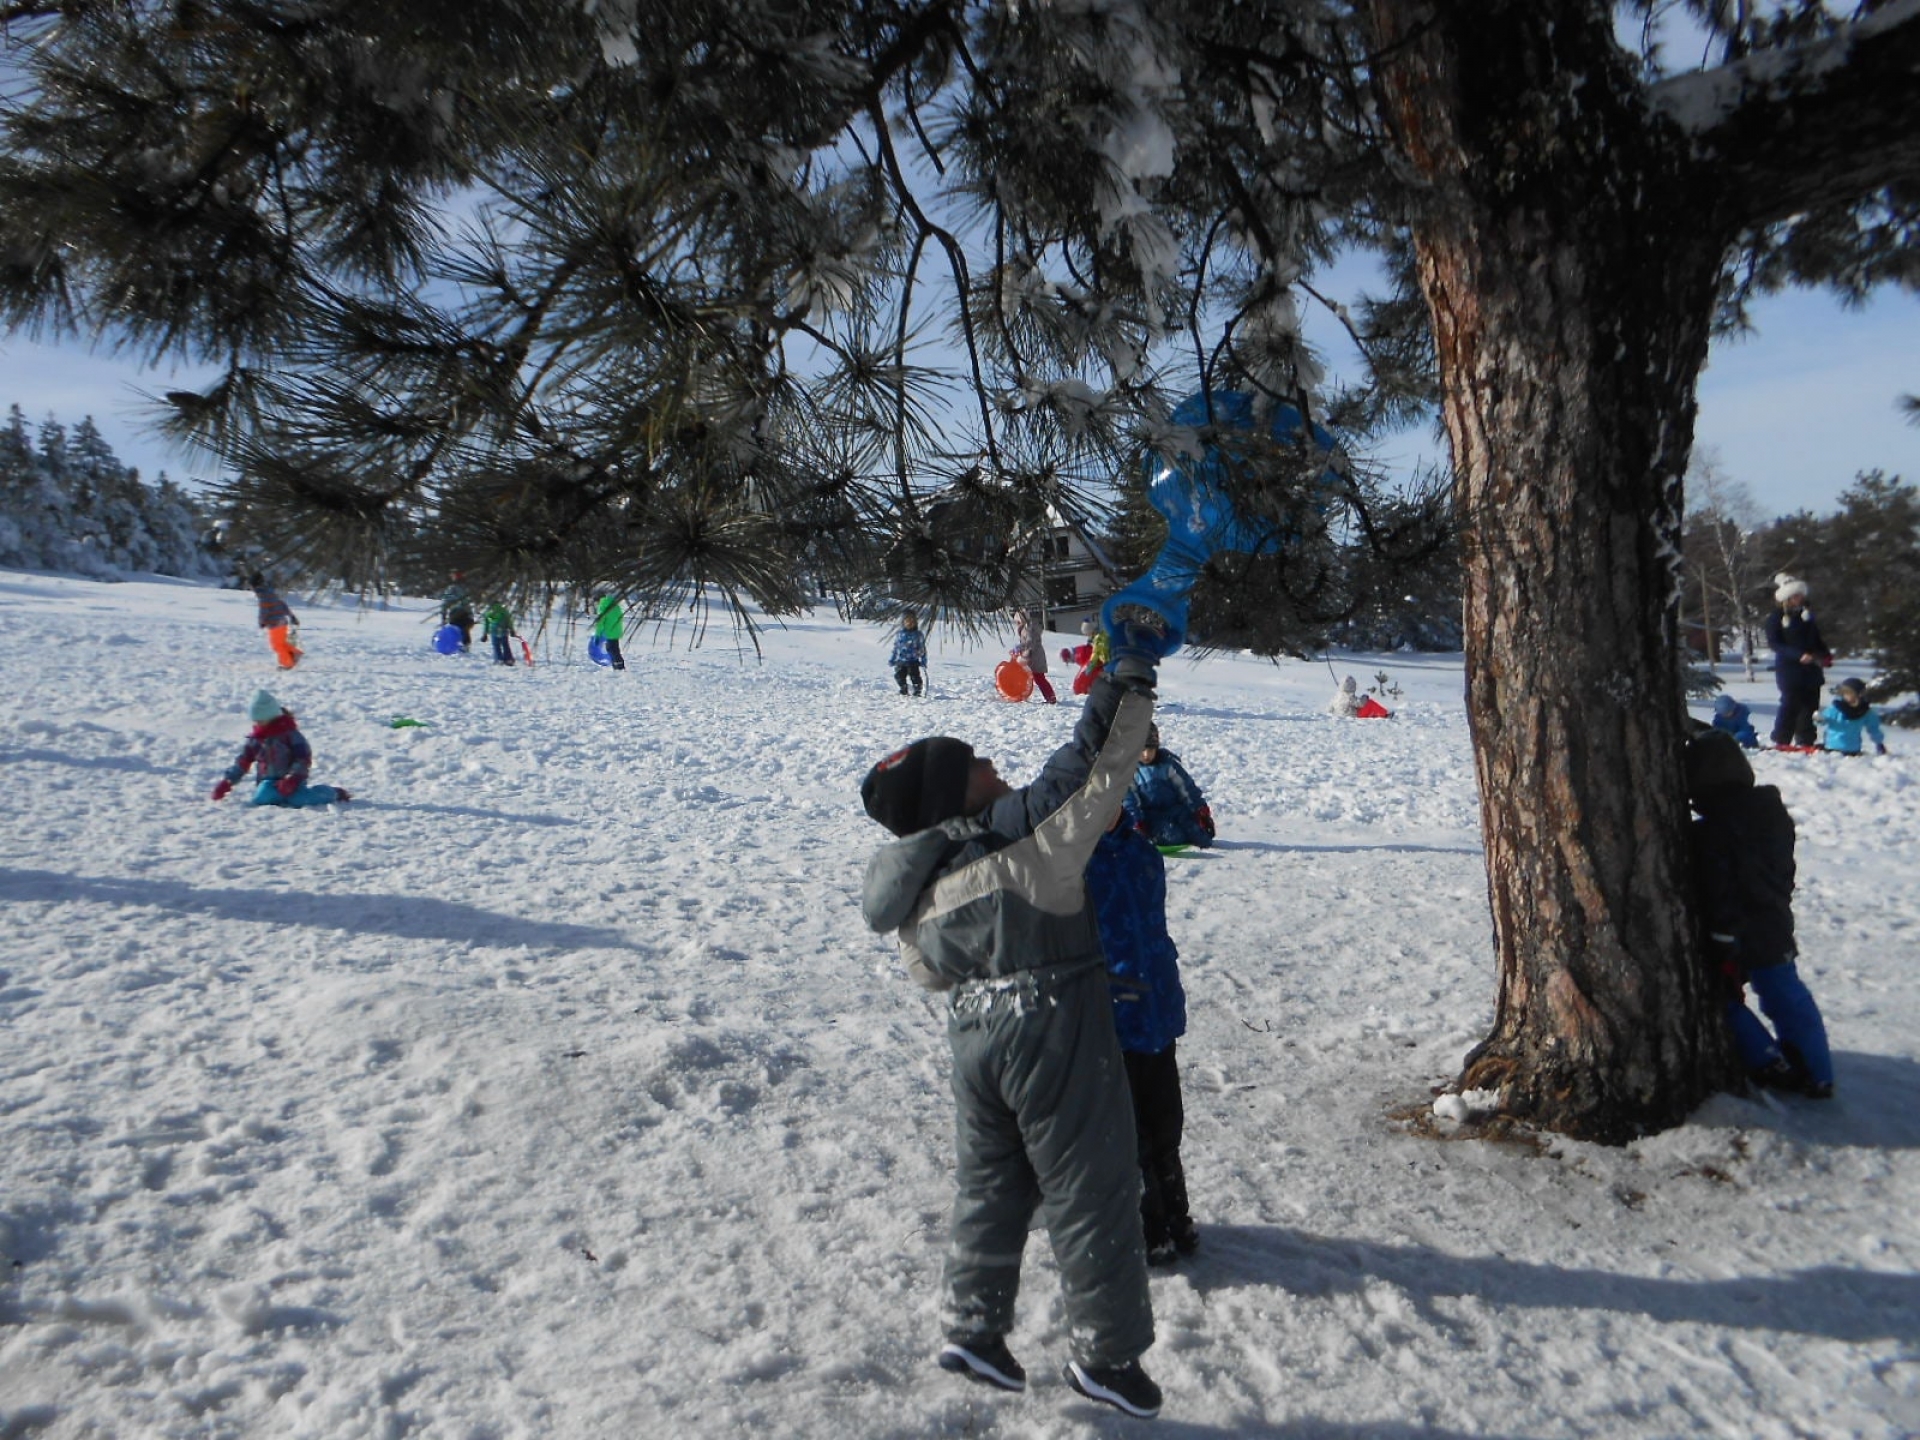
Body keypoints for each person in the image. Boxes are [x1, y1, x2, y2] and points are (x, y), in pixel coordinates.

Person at [859, 621, 1170, 1419]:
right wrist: (1127, 676)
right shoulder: (1024, 846)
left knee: (991, 1184)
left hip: (974, 1039)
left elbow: (928, 971)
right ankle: (1107, 1357)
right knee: (1091, 1182)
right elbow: (1090, 771)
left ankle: (974, 1328)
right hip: (1051, 1024)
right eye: (977, 764)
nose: (993, 765)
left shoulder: (920, 889)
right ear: (954, 797)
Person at [1685, 728, 1832, 1098]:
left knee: (1719, 998)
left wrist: (1722, 936)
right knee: (1785, 993)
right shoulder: (1770, 814)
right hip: (1775, 920)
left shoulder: (1713, 832)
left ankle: (1771, 1062)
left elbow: (1721, 888)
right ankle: (1817, 1070)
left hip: (1738, 928)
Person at [1087, 812, 1197, 1269]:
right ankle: (1144, 1226)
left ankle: (1176, 1213)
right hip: (1108, 1020)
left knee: (1166, 1122)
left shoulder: (1142, 852)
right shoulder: (1070, 862)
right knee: (1128, 1135)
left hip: (1155, 1010)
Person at [211, 690, 350, 808]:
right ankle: (280, 798)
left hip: (293, 782)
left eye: (261, 720)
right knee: (261, 798)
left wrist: (293, 778)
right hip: (268, 783)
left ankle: (333, 793)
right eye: (256, 721)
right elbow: (243, 761)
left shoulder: (290, 735)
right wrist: (228, 781)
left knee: (300, 799)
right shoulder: (257, 740)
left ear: (271, 716)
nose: (258, 724)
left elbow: (303, 758)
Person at [1764, 575, 1832, 749]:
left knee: (1810, 704)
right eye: (1796, 595)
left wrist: (1825, 654)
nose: (1800, 598)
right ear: (1787, 598)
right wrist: (1797, 655)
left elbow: (1816, 639)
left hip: (1811, 670)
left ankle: (1806, 740)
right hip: (1789, 669)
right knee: (1790, 703)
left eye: (1801, 595)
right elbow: (1775, 643)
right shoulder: (1776, 617)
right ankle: (1782, 739)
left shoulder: (1807, 616)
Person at [1127, 724, 1215, 848]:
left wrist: (1201, 811)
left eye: (1151, 750)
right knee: (1172, 835)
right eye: (1142, 750)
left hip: (1175, 809)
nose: (1146, 755)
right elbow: (1130, 801)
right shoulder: (1131, 772)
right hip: (1151, 816)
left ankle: (1192, 834)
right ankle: (1155, 838)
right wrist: (1136, 823)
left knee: (1203, 836)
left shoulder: (1167, 765)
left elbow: (1186, 788)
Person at [1818, 677, 1887, 755]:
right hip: (1832, 748)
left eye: (1850, 693)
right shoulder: (1836, 708)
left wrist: (1879, 743)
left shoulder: (1864, 711)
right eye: (1844, 693)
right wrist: (1819, 719)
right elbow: (1822, 720)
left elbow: (1874, 728)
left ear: (1859, 694)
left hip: (1853, 749)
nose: (1847, 696)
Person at [248, 572, 301, 670]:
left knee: (277, 645)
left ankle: (287, 663)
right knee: (281, 643)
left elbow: (264, 611)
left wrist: (262, 621)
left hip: (275, 623)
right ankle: (293, 653)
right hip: (282, 621)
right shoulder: (270, 592)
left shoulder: (263, 596)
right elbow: (282, 604)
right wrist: (291, 616)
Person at [1010, 607, 1057, 704]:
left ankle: (1050, 697)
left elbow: (1030, 642)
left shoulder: (1027, 629)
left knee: (1039, 678)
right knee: (1029, 676)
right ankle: (1023, 694)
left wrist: (1020, 647)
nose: (1017, 624)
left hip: (1035, 657)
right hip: (1033, 656)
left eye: (1018, 622)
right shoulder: (1026, 629)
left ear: (1022, 621)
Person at [889, 611, 927, 695]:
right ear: (903, 622)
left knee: (914, 676)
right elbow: (896, 648)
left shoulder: (918, 635)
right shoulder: (900, 634)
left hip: (913, 661)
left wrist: (923, 660)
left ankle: (917, 689)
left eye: (912, 621)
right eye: (907, 621)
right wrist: (892, 658)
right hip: (901, 661)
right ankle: (903, 688)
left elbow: (922, 648)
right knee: (899, 676)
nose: (910, 623)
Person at [439, 574, 476, 652]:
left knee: (461, 629)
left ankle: (462, 645)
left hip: (459, 614)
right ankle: (461, 645)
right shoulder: (454, 589)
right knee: (461, 629)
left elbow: (445, 603)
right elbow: (446, 603)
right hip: (457, 614)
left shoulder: (456, 589)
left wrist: (444, 615)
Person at [593, 594, 627, 670]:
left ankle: (619, 667)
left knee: (612, 650)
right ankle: (617, 665)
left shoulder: (602, 607)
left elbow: (600, 623)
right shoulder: (614, 605)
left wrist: (597, 635)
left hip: (610, 632)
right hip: (617, 630)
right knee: (612, 649)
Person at [482, 600, 517, 666]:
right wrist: (512, 630)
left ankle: (499, 659)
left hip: (494, 631)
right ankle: (508, 659)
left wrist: (485, 634)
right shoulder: (504, 611)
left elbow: (486, 624)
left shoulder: (489, 612)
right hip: (503, 630)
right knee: (505, 645)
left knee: (496, 646)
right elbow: (509, 621)